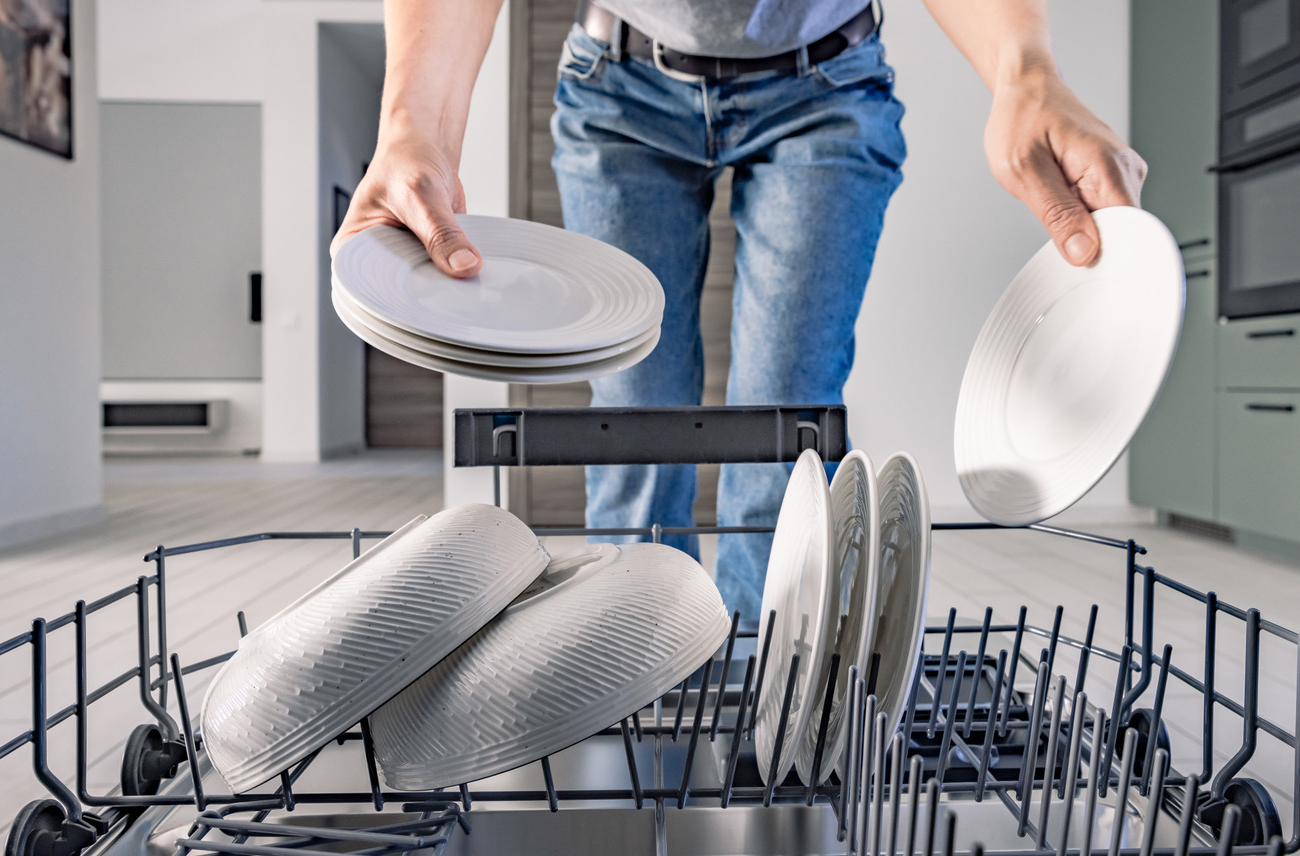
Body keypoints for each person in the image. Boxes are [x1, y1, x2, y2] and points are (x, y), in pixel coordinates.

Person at [335, 0, 1146, 620]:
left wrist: (1025, 71)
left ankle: (767, 725)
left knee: (785, 427)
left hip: (827, 84)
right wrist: (417, 128)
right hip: (618, 83)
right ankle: (636, 677)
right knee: (633, 415)